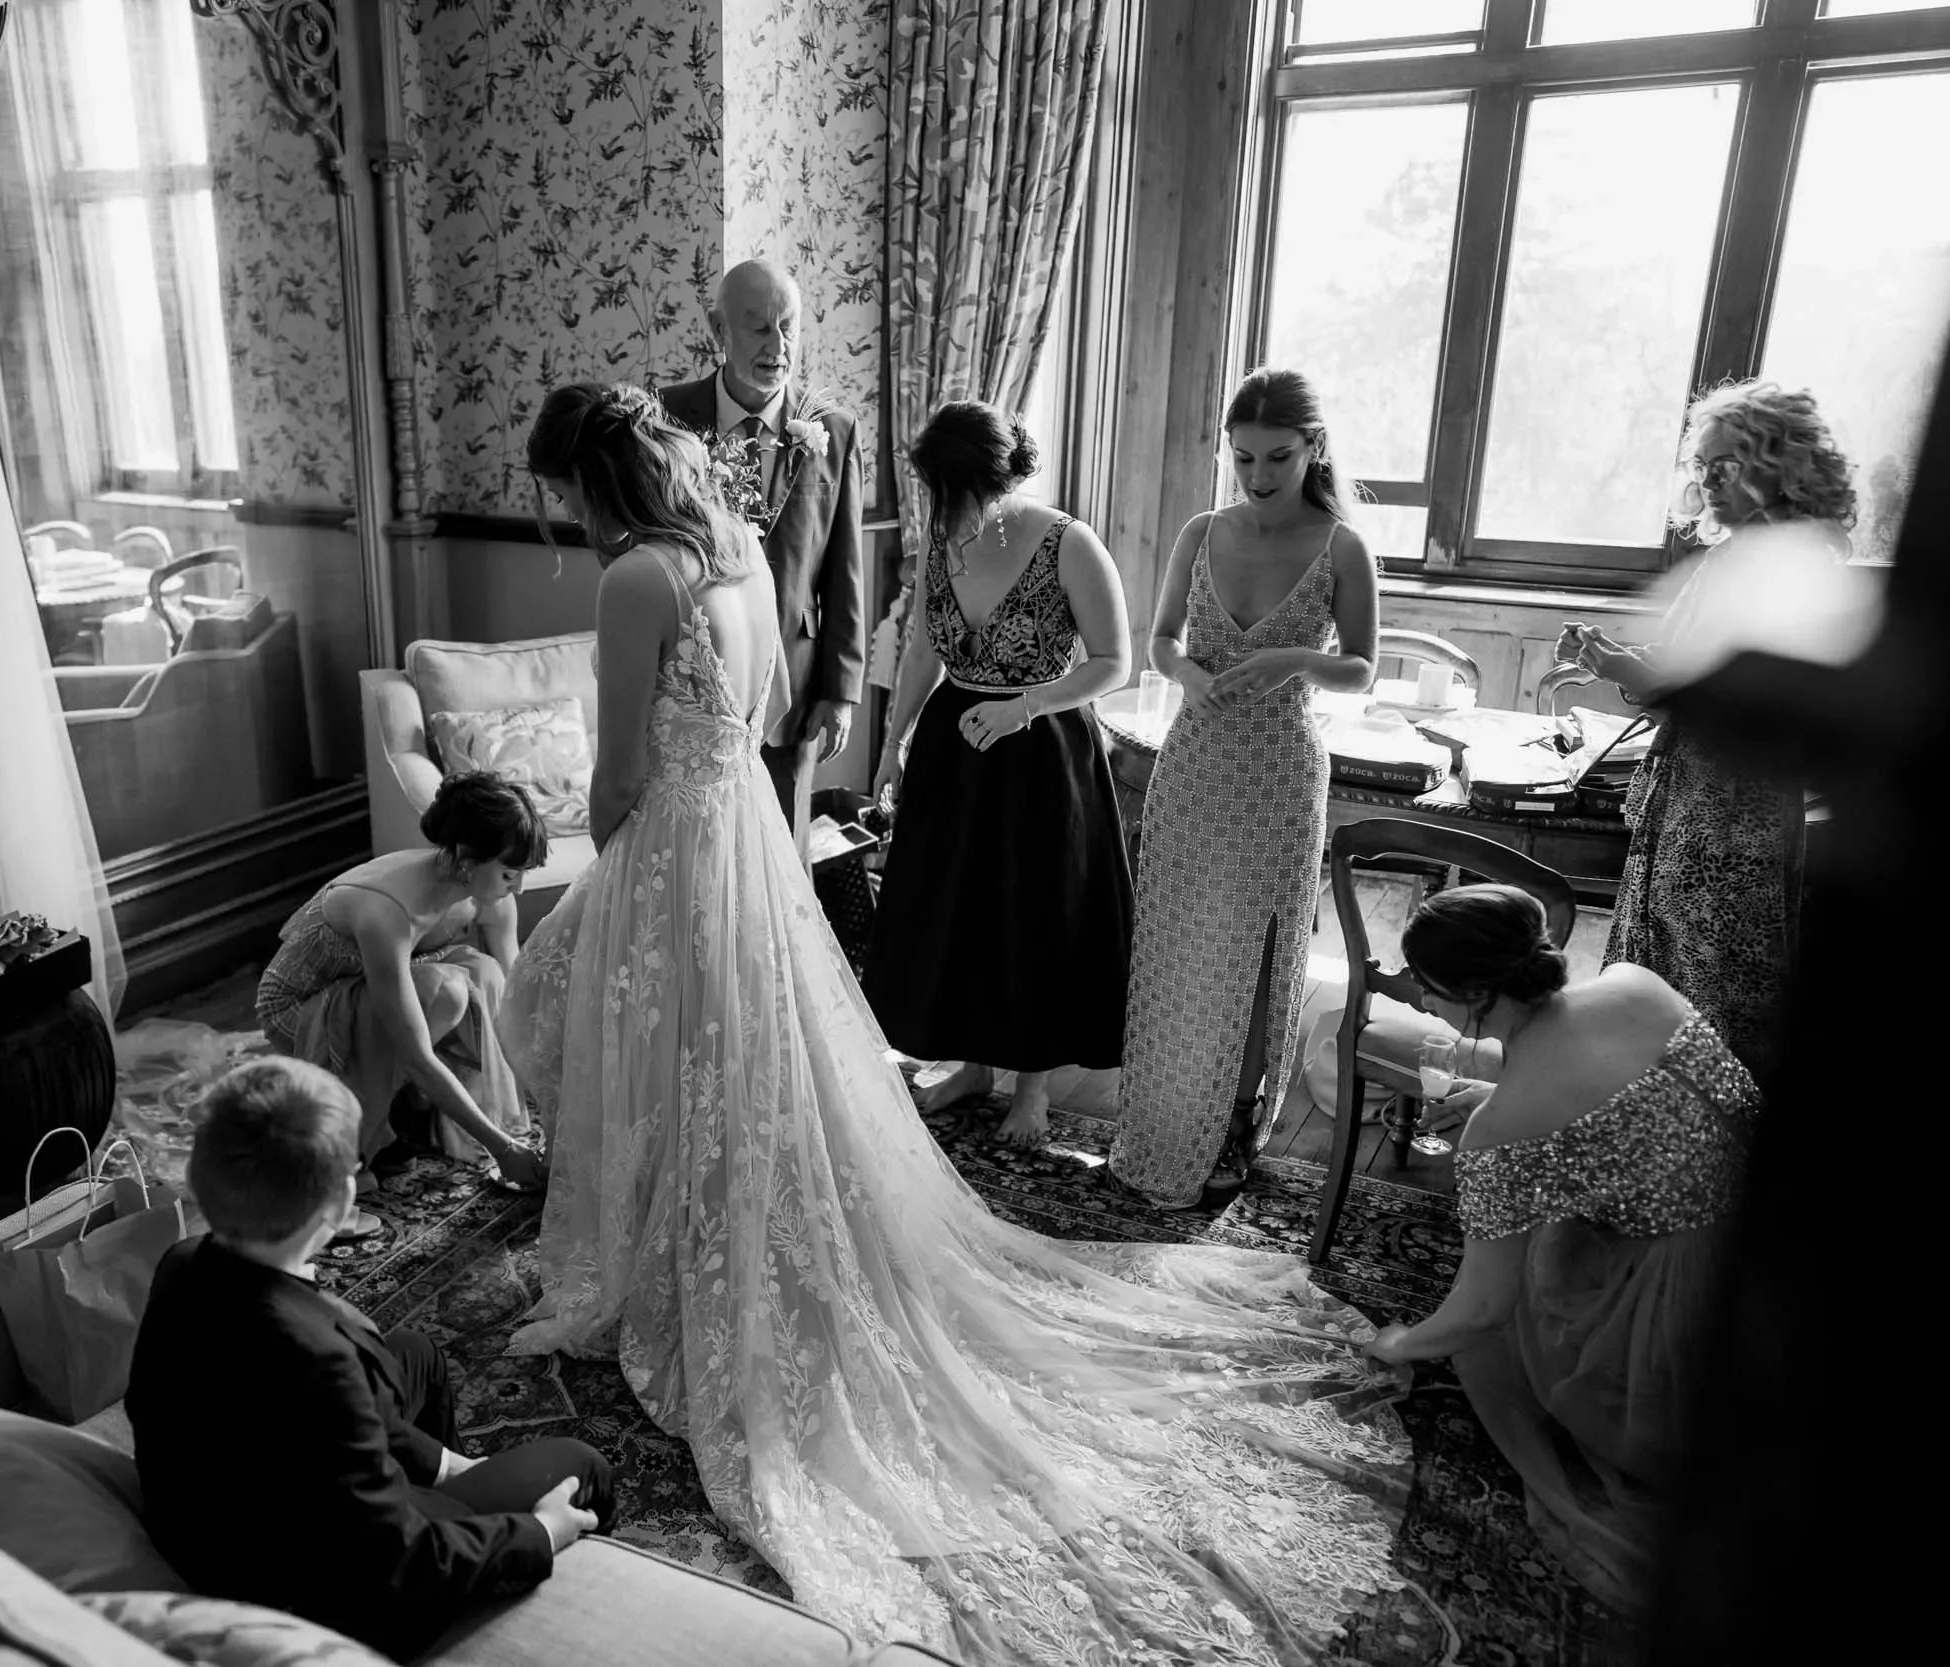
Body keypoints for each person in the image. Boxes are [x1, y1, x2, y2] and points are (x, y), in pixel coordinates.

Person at [498, 380, 1411, 1667]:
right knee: (748, 1044)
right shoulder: (739, 553)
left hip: (726, 824)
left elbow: (619, 765)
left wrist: (609, 843)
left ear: (579, 482)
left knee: (659, 1030)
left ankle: (704, 1217)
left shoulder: (640, 576)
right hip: (755, 819)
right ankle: (716, 1202)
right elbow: (786, 703)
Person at [125, 1057, 617, 1661]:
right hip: (309, 1587)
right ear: (338, 1203)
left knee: (415, 1356)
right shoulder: (317, 1360)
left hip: (222, 1505)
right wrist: (541, 1532)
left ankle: (442, 1480)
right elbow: (398, 1564)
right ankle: (486, 1539)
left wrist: (442, 1463)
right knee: (582, 1464)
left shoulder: (181, 1264)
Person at [1362, 885, 1757, 1616]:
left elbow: (1481, 1309)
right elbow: (1617, 1099)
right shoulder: (1636, 983)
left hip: (1687, 1297)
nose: (1418, 995)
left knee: (1507, 1312)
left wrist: (1400, 1343)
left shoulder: (1504, 1133)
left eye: (1426, 983)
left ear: (1476, 992)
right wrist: (1493, 1091)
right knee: (1551, 1205)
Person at [1111, 368, 1379, 1211]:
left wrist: (1296, 658)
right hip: (1194, 761)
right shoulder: (1201, 530)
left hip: (1280, 771)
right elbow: (1156, 641)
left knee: (1261, 952)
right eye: (1243, 458)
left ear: (1314, 449)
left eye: (1277, 457)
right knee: (1180, 940)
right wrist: (1187, 671)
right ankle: (1162, 1114)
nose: (1258, 476)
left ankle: (1231, 1122)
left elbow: (1363, 666)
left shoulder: (1341, 546)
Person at [1556, 378, 1849, 1089]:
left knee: (1712, 1015)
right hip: (1684, 815)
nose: (1709, 480)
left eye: (1729, 464)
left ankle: (1706, 1172)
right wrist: (1622, 665)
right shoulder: (1732, 556)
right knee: (1654, 1004)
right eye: (1702, 465)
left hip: (1734, 824)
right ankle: (1652, 1158)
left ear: (1782, 464)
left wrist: (1651, 676)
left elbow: (1768, 703)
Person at [861, 400, 1134, 1145]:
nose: (946, 511)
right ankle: (973, 1066)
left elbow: (1116, 662)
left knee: (1034, 915)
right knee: (962, 912)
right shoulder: (940, 542)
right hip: (957, 749)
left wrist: (1029, 705)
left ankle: (1033, 1088)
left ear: (996, 478)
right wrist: (892, 746)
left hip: (1042, 752)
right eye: (935, 494)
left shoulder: (1068, 543)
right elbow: (923, 650)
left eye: (958, 493)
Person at [255, 772, 549, 1235]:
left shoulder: (488, 895)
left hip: (393, 982)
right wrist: (504, 1149)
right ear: (465, 860)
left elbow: (518, 1000)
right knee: (446, 991)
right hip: (302, 1007)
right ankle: (339, 1167)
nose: (520, 888)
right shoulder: (385, 910)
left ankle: (419, 1121)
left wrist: (558, 1094)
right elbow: (414, 1052)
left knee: (486, 976)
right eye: (510, 873)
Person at [656, 258, 867, 854]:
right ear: (719, 331)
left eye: (790, 327)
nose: (779, 346)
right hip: (692, 676)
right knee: (700, 854)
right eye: (759, 329)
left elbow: (845, 570)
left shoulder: (836, 430)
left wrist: (842, 689)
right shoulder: (666, 417)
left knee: (780, 857)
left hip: (794, 683)